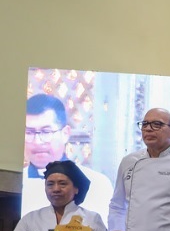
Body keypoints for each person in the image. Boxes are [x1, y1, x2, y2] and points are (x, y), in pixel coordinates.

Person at [22, 94, 114, 222]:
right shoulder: (16, 182)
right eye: (29, 132)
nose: (37, 141)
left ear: (65, 133)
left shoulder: (97, 183)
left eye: (46, 132)